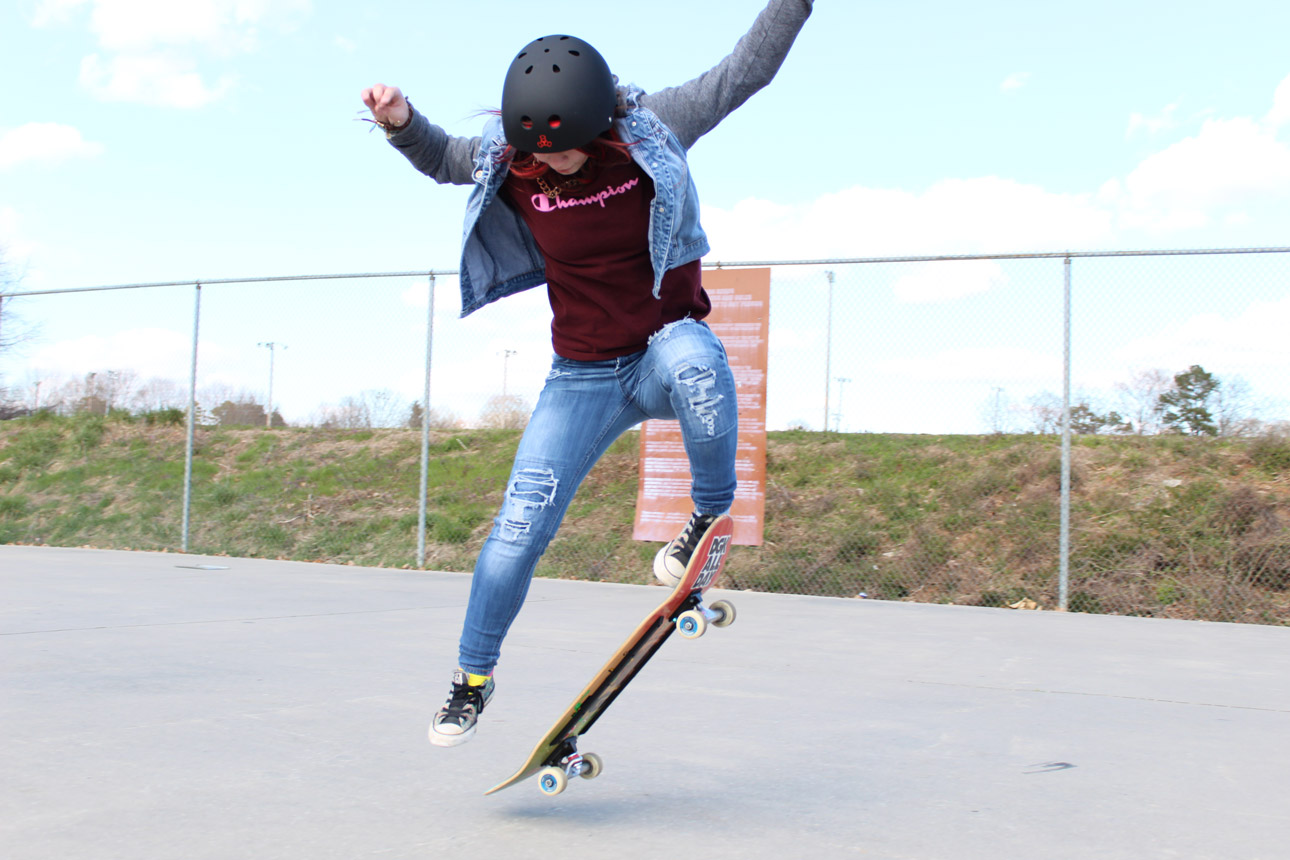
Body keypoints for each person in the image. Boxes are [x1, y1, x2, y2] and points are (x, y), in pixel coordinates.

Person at [362, 0, 814, 747]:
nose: (557, 165)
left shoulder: (657, 126)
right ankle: (471, 679)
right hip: (581, 378)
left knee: (696, 360)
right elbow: (443, 157)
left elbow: (744, 73)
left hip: (662, 351)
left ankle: (705, 520)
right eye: (542, 156)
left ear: (598, 121)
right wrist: (401, 121)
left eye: (569, 150)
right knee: (515, 531)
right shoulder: (508, 159)